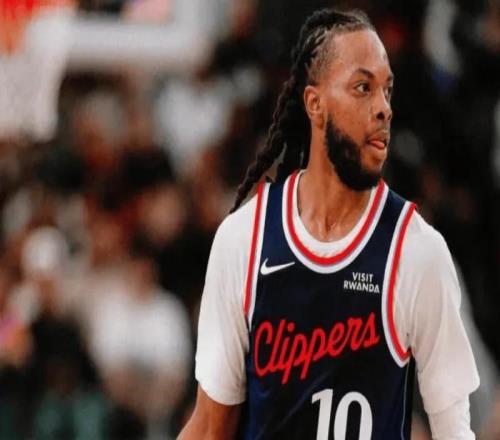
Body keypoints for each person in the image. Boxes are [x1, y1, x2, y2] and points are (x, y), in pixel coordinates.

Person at [179, 8, 479, 440]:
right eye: (363, 87)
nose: (383, 108)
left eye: (387, 91)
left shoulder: (417, 251)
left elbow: (454, 431)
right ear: (315, 104)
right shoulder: (244, 239)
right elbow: (211, 428)